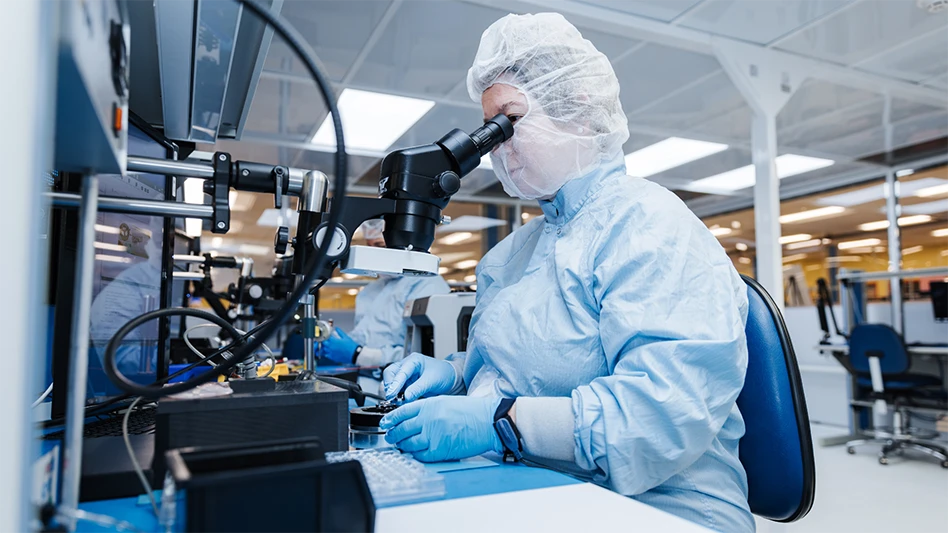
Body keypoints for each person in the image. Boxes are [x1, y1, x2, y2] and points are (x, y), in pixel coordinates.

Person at [379, 13, 753, 533]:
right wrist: (458, 376)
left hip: (662, 506)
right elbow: (524, 364)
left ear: (576, 105)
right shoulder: (512, 254)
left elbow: (660, 414)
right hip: (537, 485)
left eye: (506, 123)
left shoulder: (651, 226)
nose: (496, 149)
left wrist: (498, 422)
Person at [318, 219, 451, 367]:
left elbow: (430, 354)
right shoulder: (370, 291)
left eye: (380, 246)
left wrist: (360, 355)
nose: (374, 253)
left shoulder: (427, 285)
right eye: (370, 246)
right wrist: (335, 343)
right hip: (364, 380)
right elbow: (364, 337)